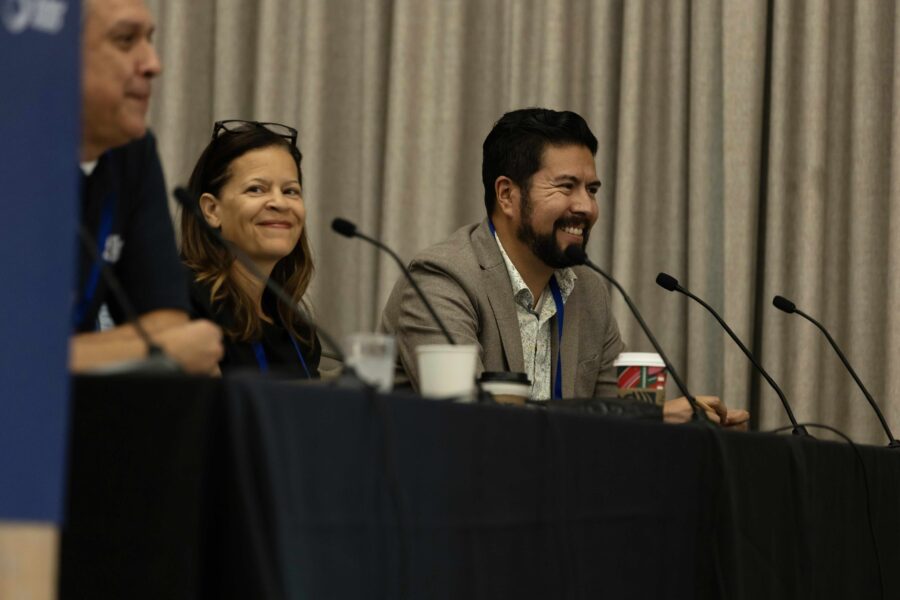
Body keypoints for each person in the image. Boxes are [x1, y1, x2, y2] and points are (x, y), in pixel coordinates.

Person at [382, 108, 749, 427]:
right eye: (566, 187)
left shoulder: (588, 291)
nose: (586, 207)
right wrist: (649, 417)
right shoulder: (442, 280)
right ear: (507, 195)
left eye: (591, 189)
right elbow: (470, 423)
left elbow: (621, 428)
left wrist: (691, 433)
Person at [71, 0, 223, 373]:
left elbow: (169, 325)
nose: (154, 64)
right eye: (125, 40)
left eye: (149, 40)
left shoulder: (131, 152)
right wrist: (155, 349)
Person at [180, 121, 321, 377]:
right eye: (256, 189)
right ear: (212, 210)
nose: (279, 202)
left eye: (291, 191)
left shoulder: (298, 330)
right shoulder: (184, 300)